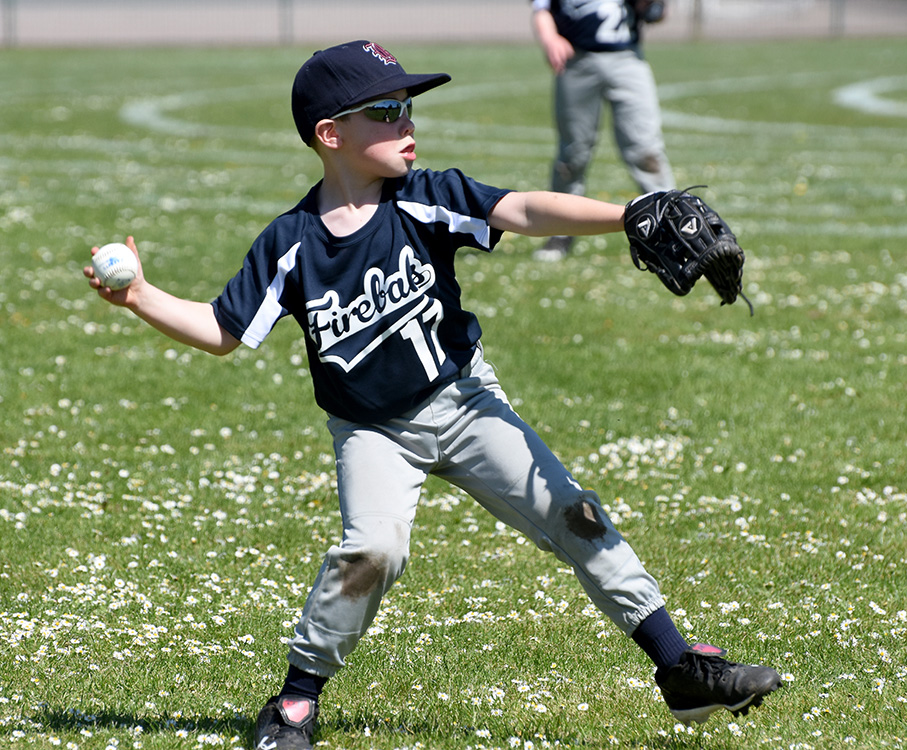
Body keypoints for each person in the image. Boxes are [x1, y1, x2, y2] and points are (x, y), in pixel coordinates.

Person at [84, 40, 780, 750]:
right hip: (371, 430)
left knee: (574, 513)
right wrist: (139, 295)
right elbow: (220, 330)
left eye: (408, 106)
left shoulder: (426, 197)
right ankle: (293, 705)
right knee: (373, 551)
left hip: (464, 401)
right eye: (385, 111)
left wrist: (625, 213)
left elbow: (522, 209)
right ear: (331, 134)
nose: (407, 122)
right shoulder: (290, 243)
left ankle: (680, 668)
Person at [531, 0, 676, 260]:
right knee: (572, 155)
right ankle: (560, 231)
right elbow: (541, 9)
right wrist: (550, 38)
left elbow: (656, 12)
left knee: (646, 149)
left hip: (627, 58)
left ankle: (671, 226)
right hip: (577, 61)